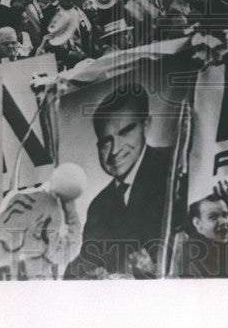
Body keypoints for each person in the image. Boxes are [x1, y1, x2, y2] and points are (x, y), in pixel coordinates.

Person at [64, 84, 176, 279]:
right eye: (106, 141)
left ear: (146, 125)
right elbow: (87, 262)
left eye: (125, 132)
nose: (115, 150)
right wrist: (83, 275)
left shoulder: (174, 168)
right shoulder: (99, 206)